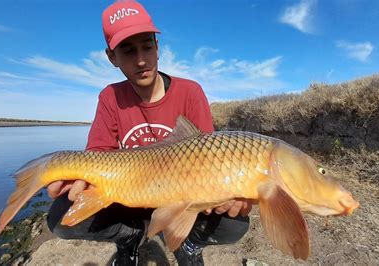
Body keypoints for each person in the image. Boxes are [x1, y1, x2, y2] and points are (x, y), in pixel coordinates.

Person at [46, 1, 253, 265]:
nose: (142, 60)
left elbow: (207, 159)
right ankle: (131, 235)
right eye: (129, 51)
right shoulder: (110, 97)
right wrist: (82, 179)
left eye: (147, 46)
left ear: (157, 47)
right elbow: (98, 156)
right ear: (112, 57)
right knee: (60, 218)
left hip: (181, 196)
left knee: (233, 222)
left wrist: (227, 188)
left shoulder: (190, 92)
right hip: (129, 197)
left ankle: (188, 243)